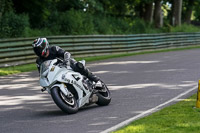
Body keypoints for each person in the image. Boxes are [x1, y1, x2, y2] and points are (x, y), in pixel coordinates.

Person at [32, 37, 102, 87]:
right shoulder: (39, 61)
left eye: (39, 49)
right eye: (36, 50)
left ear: (44, 46)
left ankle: (96, 80)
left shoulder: (53, 49)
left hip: (67, 64)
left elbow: (66, 53)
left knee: (78, 66)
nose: (38, 51)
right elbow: (41, 74)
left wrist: (66, 61)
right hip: (56, 73)